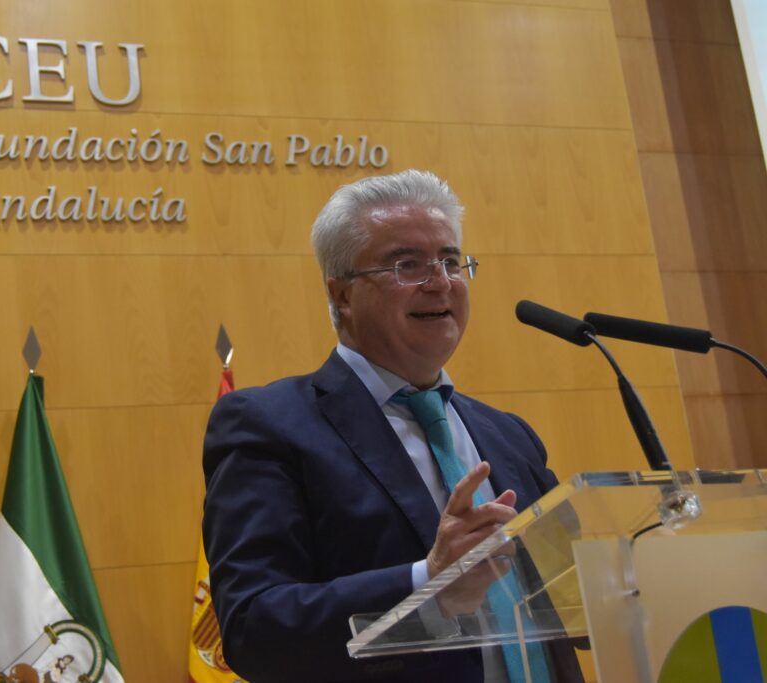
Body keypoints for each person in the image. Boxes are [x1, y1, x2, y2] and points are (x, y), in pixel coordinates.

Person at [202, 170, 582, 682]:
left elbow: (574, 595)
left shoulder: (509, 435)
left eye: (451, 261)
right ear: (341, 296)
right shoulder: (267, 427)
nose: (441, 281)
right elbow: (254, 629)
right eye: (408, 265)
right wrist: (429, 586)